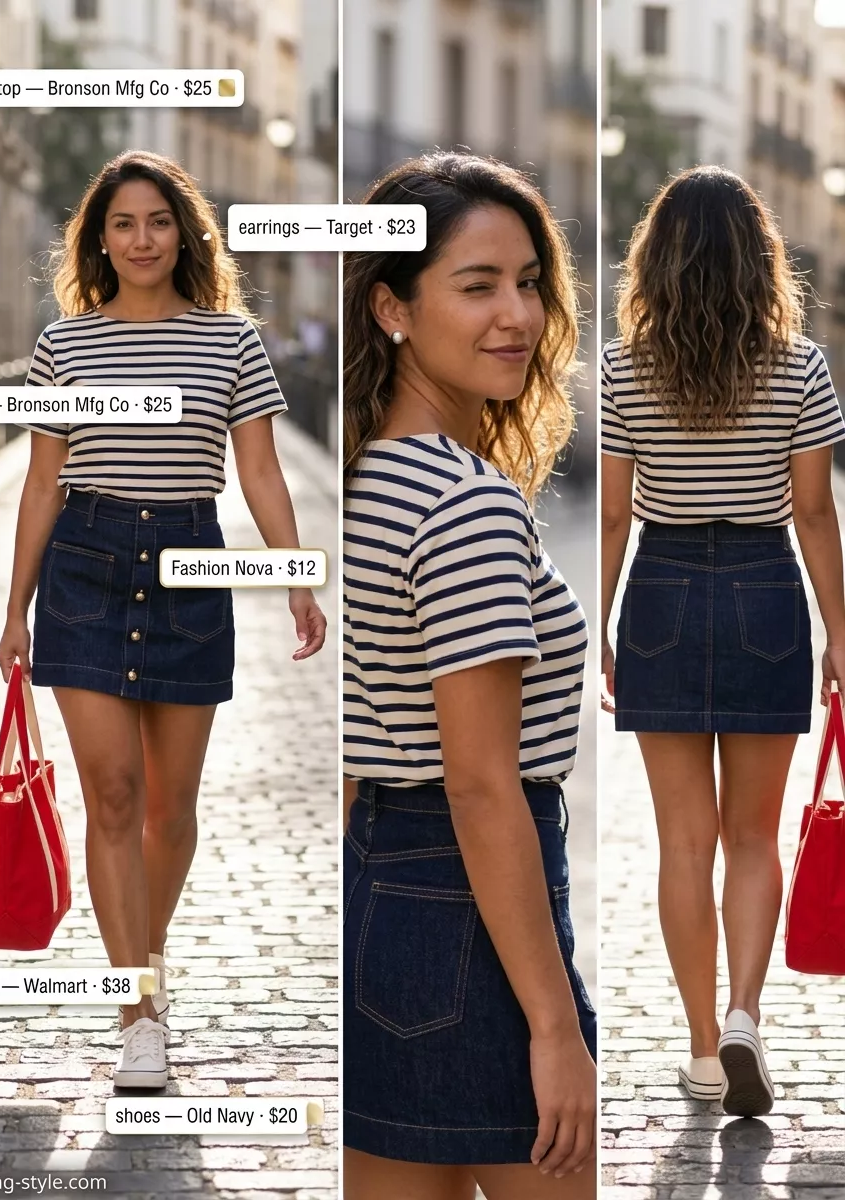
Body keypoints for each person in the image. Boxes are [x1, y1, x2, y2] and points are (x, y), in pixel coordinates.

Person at [0, 150, 327, 1089]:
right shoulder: (65, 343)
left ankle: (147, 951)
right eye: (123, 224)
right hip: (85, 571)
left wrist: (295, 575)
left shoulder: (231, 341)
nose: (141, 239)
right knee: (112, 794)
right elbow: (40, 481)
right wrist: (15, 608)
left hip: (190, 565)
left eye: (157, 221)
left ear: (185, 232)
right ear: (100, 240)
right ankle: (137, 1009)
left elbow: (259, 468)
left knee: (171, 809)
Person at [343, 152, 597, 1200]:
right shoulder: (464, 504)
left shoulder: (363, 474)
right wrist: (550, 1025)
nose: (517, 315)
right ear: (392, 308)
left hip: (379, 901)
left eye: (528, 281)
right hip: (472, 919)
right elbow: (482, 783)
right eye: (477, 284)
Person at [601, 165, 845, 1118]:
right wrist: (840, 632)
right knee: (753, 836)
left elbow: (615, 515)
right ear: (762, 259)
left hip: (661, 588)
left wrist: (608, 628)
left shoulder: (628, 366)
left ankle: (704, 1049)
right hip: (765, 588)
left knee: (681, 840)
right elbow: (815, 511)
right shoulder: (801, 364)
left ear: (658, 258)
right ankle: (746, 1014)